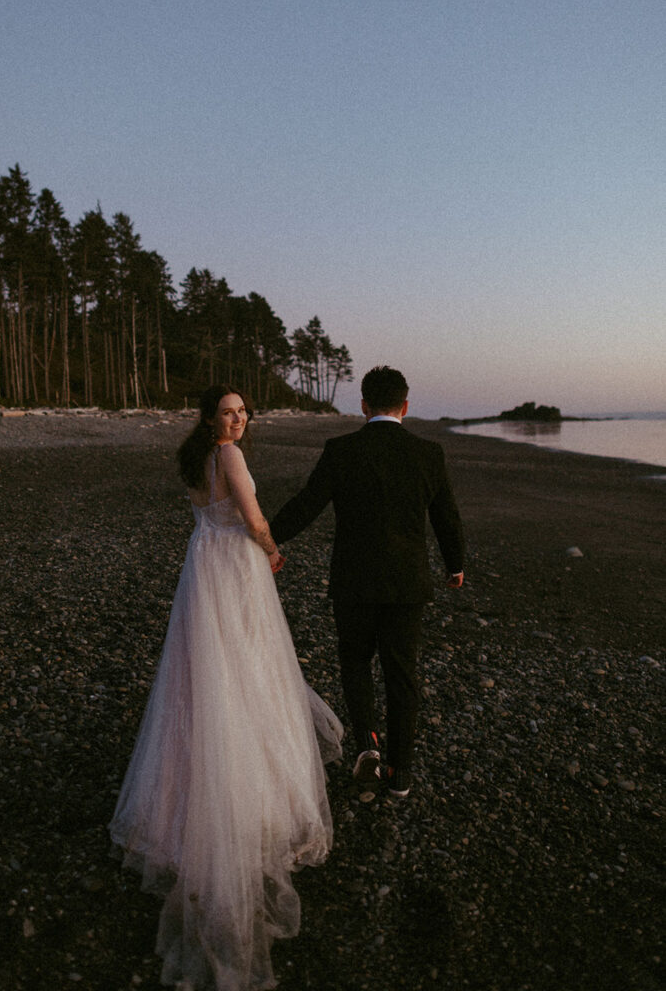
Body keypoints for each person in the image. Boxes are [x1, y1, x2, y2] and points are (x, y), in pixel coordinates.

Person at [110, 385, 342, 990]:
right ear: (211, 417)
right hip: (233, 565)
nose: (238, 420)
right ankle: (246, 802)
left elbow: (208, 513)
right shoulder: (229, 457)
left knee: (199, 678)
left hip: (202, 564)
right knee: (246, 671)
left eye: (243, 413)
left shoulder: (193, 458)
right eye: (229, 412)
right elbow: (252, 516)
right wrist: (272, 552)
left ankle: (179, 807)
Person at [270, 366, 464, 801]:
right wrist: (455, 565)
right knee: (402, 673)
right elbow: (446, 516)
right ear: (406, 406)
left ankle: (367, 744)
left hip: (353, 580)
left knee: (355, 661)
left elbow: (307, 504)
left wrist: (266, 537)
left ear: (363, 405)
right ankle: (400, 773)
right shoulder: (428, 453)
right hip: (406, 583)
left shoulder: (342, 450)